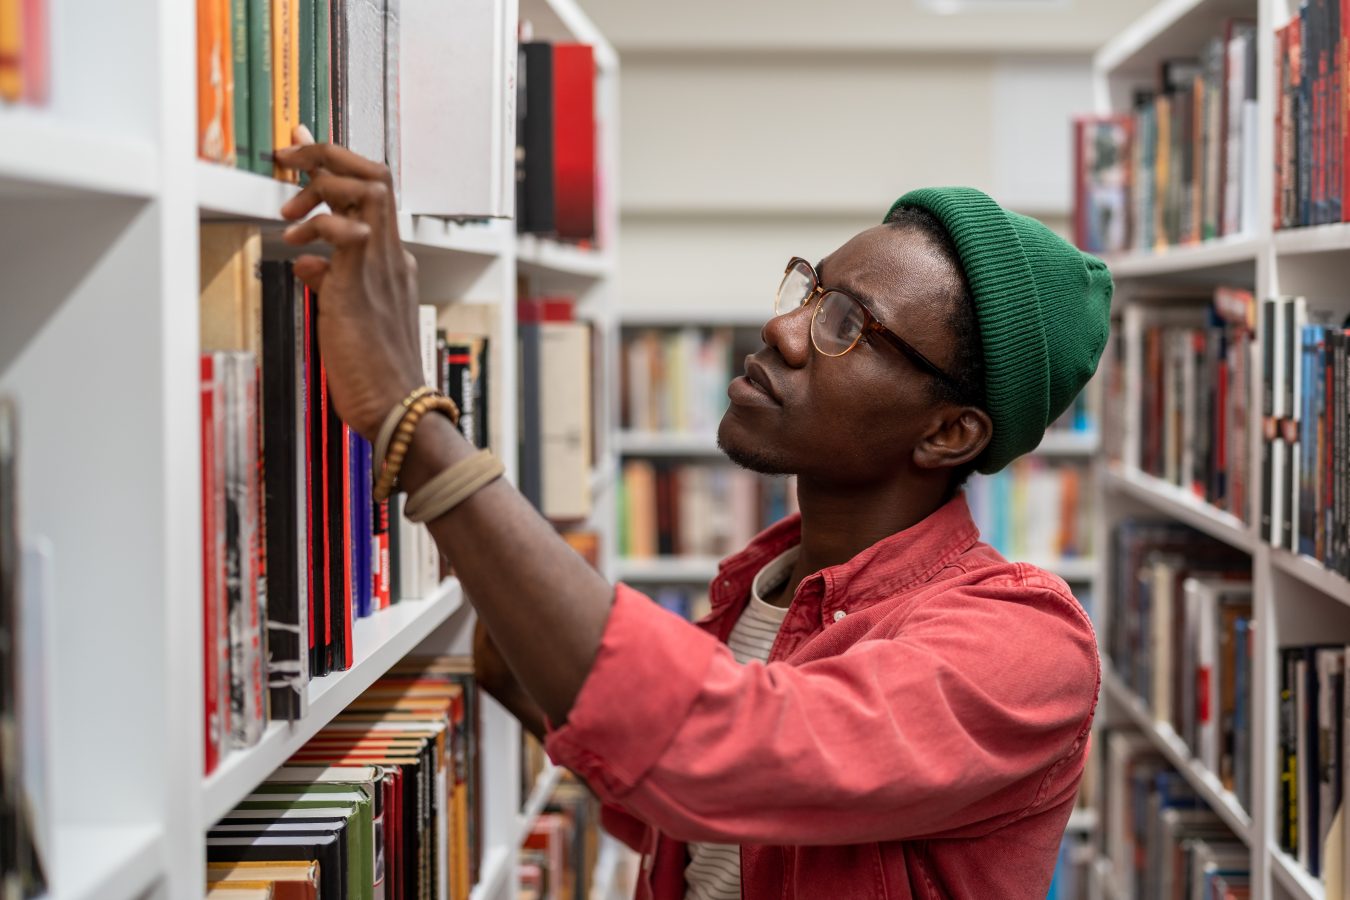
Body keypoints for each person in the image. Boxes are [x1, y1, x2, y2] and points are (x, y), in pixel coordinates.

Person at [274, 133, 1111, 899]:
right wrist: (526, 679)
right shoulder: (763, 594)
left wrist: (410, 422)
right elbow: (700, 829)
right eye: (809, 289)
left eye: (845, 325)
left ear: (948, 432)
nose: (781, 328)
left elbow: (737, 759)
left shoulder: (1025, 644)